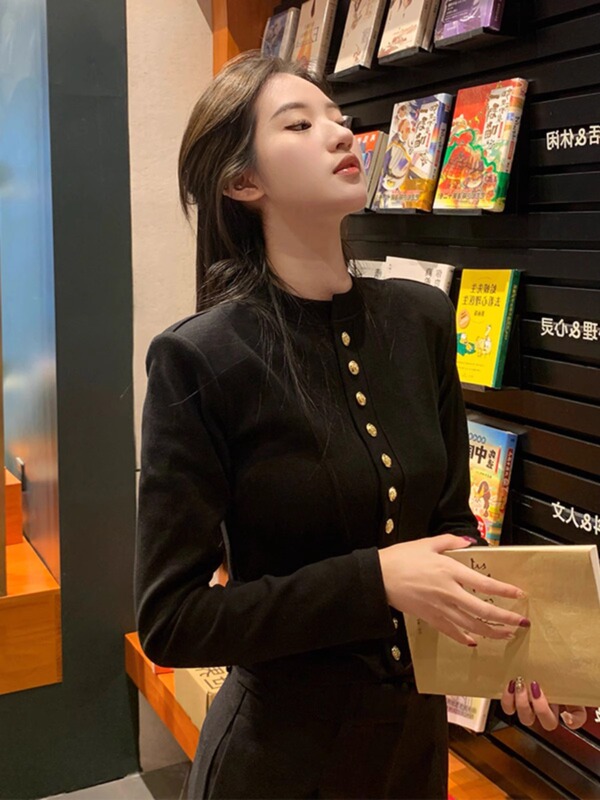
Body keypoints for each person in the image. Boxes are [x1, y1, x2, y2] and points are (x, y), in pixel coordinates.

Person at [134, 52, 586, 799]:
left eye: (340, 118)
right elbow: (172, 620)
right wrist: (375, 580)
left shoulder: (422, 318)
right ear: (242, 182)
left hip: (413, 753)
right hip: (278, 764)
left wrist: (523, 652)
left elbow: (451, 528)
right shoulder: (200, 358)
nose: (343, 134)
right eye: (299, 125)